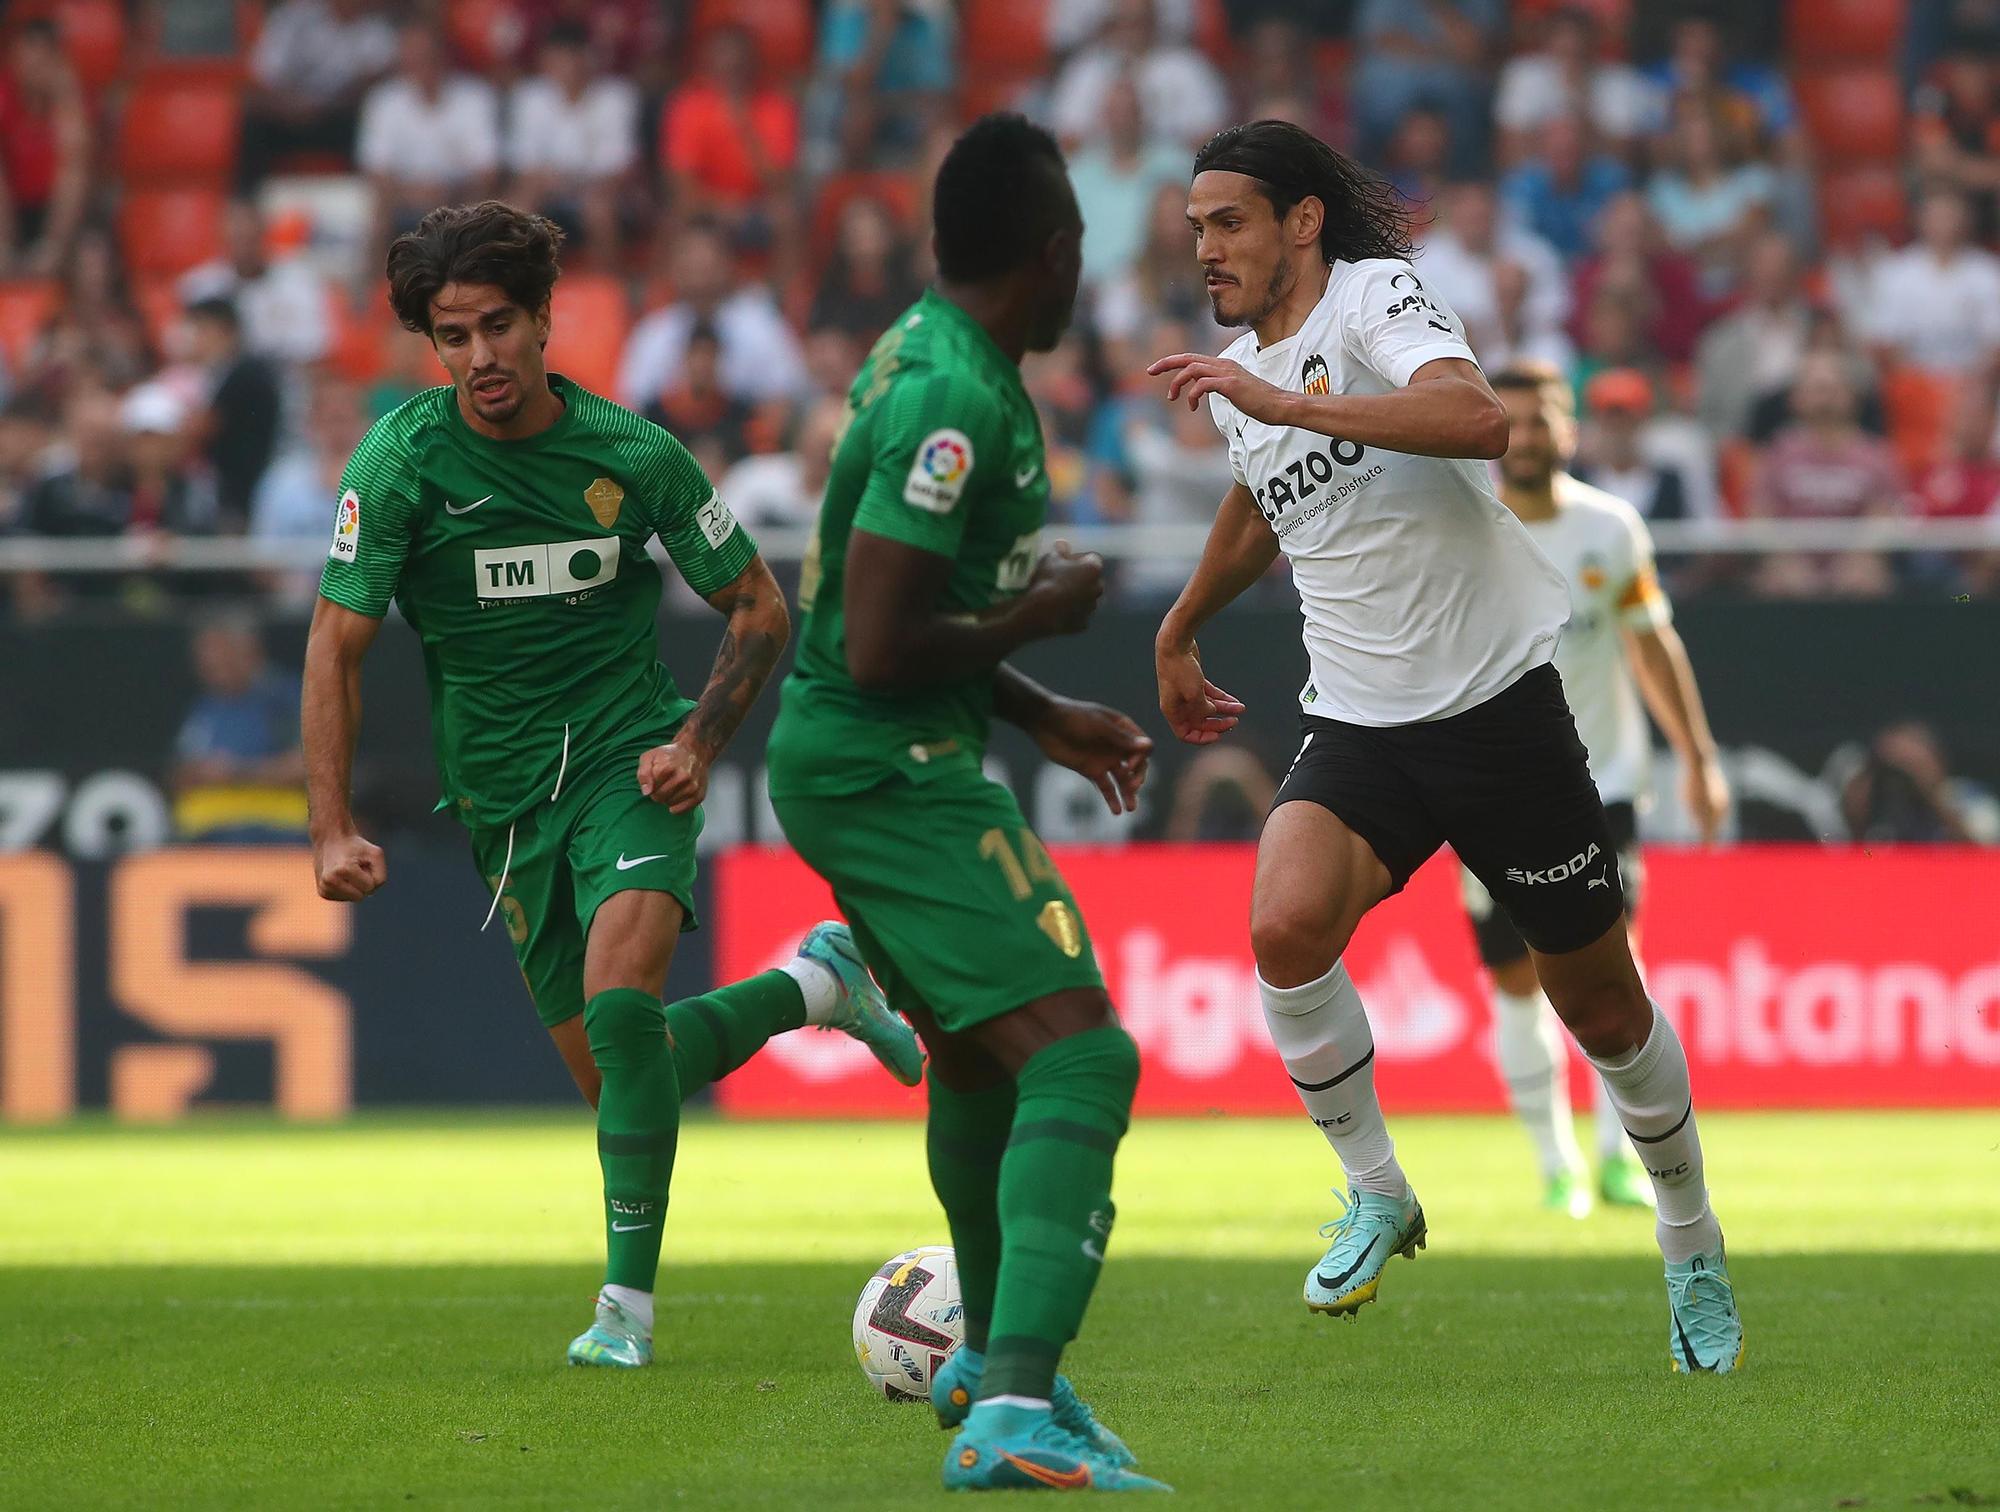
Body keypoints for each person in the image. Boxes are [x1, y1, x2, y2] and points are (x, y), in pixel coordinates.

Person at [1148, 119, 1742, 1371]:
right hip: (1360, 721)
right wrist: (1183, 622)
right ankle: (1378, 1190)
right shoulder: (1241, 376)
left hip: (1498, 717)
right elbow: (1260, 496)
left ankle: (1688, 1244)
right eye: (1194, 227)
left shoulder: (1376, 296)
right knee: (1281, 926)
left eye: (1228, 221)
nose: (1204, 248)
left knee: (1601, 1008)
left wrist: (1272, 395)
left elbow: (1475, 423)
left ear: (1301, 221)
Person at [301, 201, 922, 1372]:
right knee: (620, 1078)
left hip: (628, 762)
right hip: (499, 804)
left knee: (626, 1014)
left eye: (497, 326)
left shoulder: (630, 456)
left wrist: (692, 744)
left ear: (544, 321)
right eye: (451, 336)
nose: (478, 357)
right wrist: (327, 825)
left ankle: (623, 1315)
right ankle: (813, 984)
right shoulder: (397, 465)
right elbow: (335, 648)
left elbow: (758, 608)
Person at [765, 115, 1168, 1491]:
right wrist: (1042, 616)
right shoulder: (959, 400)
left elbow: (907, 613)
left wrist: (1043, 715)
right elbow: (882, 641)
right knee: (1083, 1055)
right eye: (1079, 258)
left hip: (860, 751)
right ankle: (1015, 1407)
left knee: (979, 1053)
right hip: (890, 765)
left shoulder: (926, 353)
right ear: (1052, 255)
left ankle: (993, 1369)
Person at [1471, 362, 1728, 1215]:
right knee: (1514, 980)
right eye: (1510, 421)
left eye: (1541, 420)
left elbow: (1652, 645)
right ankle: (1555, 1165)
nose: (1529, 436)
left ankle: (1620, 1155)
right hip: (1486, 788)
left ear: (1567, 429)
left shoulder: (1609, 528)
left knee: (1611, 967)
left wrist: (1696, 756)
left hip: (1601, 783)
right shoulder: (1468, 524)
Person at [173, 613, 308, 843]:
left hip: (277, 819)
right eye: (205, 657)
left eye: (221, 653)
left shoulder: (285, 698)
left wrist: (238, 772)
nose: (211, 663)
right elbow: (179, 772)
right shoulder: (205, 707)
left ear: (248, 651)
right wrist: (199, 772)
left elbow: (310, 767)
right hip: (212, 819)